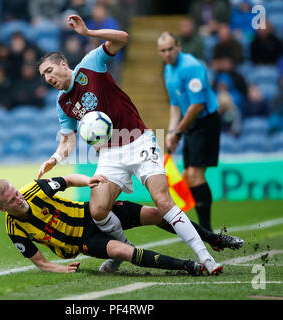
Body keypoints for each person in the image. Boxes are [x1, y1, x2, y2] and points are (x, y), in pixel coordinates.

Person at [36, 14, 222, 275]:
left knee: (162, 201)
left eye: (49, 71)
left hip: (138, 140)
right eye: (43, 76)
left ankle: (206, 257)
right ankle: (123, 251)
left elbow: (123, 38)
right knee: (98, 210)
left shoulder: (90, 65)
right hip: (109, 153)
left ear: (63, 64)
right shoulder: (62, 103)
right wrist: (54, 158)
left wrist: (88, 33)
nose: (47, 78)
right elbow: (68, 140)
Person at [0, 174, 244, 274]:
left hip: (91, 213)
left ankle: (216, 239)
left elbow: (67, 179)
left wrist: (88, 180)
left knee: (157, 213)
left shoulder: (35, 190)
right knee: (122, 250)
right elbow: (40, 263)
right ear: (2, 208)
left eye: (16, 192)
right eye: (12, 200)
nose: (19, 198)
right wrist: (60, 269)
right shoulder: (14, 229)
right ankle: (190, 266)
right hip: (84, 241)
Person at [157, 32, 221, 233]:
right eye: (163, 51)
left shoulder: (191, 67)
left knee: (195, 175)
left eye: (170, 49)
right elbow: (175, 105)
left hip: (205, 122)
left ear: (178, 46)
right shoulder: (168, 69)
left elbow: (198, 106)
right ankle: (202, 229)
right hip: (190, 124)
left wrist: (177, 133)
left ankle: (206, 230)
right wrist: (171, 131)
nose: (167, 54)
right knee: (186, 174)